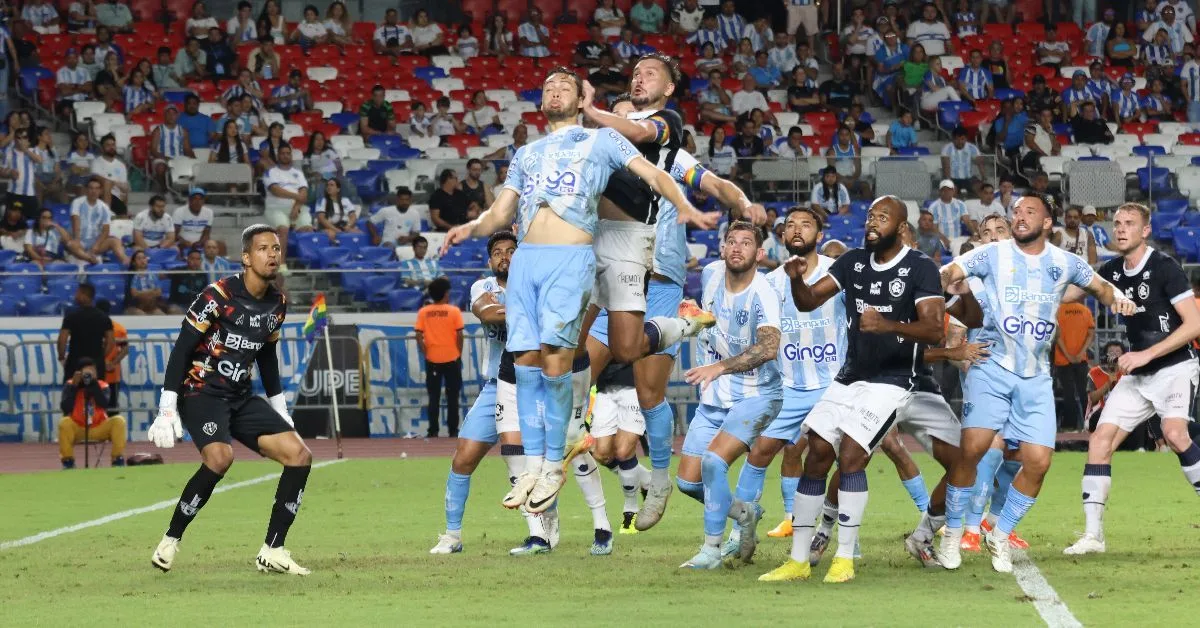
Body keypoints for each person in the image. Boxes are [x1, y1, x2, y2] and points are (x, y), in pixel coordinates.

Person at [441, 66, 704, 516]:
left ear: (581, 98)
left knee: (559, 358)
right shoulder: (526, 153)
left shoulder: (599, 140)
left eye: (565, 85)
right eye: (547, 86)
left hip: (571, 257)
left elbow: (650, 171)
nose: (555, 90)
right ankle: (533, 466)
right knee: (525, 358)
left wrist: (683, 204)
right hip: (527, 260)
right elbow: (499, 212)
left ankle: (551, 464)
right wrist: (470, 227)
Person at [575, 56, 753, 532]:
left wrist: (738, 199)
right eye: (634, 73)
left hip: (660, 276)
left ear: (669, 93)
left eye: (649, 73)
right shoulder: (605, 157)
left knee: (650, 392)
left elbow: (711, 182)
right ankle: (556, 476)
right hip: (611, 271)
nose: (637, 78)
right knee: (575, 371)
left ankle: (659, 479)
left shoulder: (671, 153)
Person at [937, 195, 1135, 574]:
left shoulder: (1064, 262)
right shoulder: (992, 254)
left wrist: (1119, 300)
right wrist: (935, 284)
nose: (1019, 216)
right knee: (973, 450)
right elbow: (951, 271)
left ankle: (1001, 533)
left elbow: (1100, 286)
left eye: (1029, 211)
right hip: (992, 368)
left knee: (1039, 462)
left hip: (1036, 377)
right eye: (1016, 211)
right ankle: (952, 535)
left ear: (1048, 223)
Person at [759, 196, 945, 584]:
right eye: (871, 216)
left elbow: (934, 329)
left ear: (900, 225)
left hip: (893, 381)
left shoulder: (921, 268)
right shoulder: (852, 262)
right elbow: (809, 301)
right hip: (848, 377)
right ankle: (797, 561)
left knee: (851, 455)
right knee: (816, 456)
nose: (873, 223)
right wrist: (796, 278)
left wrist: (889, 325)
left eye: (883, 217)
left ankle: (844, 558)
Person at [147, 224, 311, 576]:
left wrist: (280, 409)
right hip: (202, 392)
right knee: (221, 457)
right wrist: (166, 407)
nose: (272, 254)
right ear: (247, 257)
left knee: (299, 455)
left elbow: (267, 357)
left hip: (240, 395)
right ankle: (171, 538)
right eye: (264, 248)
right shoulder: (216, 296)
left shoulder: (277, 303)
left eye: (277, 248)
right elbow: (182, 349)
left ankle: (273, 549)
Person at [1061, 203, 1200, 556]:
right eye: (1117, 223)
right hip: (1138, 374)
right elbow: (1068, 294)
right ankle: (1093, 537)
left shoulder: (1165, 268)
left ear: (1146, 230)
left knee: (1174, 434)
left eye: (1129, 224)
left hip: (1174, 367)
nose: (1121, 229)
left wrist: (1145, 355)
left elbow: (1194, 324)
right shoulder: (1111, 271)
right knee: (1099, 441)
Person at [718, 208, 846, 564]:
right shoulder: (769, 282)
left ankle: (831, 534)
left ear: (819, 233)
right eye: (790, 225)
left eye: (805, 224)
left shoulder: (838, 274)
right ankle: (738, 532)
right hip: (788, 385)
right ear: (781, 235)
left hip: (832, 384)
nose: (796, 229)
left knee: (837, 457)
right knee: (759, 452)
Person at [430, 232, 558, 554]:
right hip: (496, 385)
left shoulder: (538, 284)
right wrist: (530, 312)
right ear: (490, 261)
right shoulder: (482, 287)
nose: (505, 256)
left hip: (537, 383)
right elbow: (486, 312)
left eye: (511, 251)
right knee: (464, 457)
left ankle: (553, 521)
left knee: (545, 456)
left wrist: (512, 308)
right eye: (498, 252)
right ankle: (452, 535)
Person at [669, 221, 780, 570]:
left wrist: (719, 367)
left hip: (756, 394)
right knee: (687, 482)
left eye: (747, 243)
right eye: (731, 241)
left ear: (759, 253)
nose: (737, 247)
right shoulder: (711, 274)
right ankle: (744, 513)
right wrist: (694, 314)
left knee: (714, 463)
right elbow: (709, 315)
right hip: (715, 396)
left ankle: (711, 551)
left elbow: (768, 347)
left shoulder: (764, 293)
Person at [416, 277, 464, 438]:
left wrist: (425, 352)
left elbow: (418, 334)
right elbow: (459, 334)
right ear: (445, 294)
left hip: (432, 360)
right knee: (453, 397)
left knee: (433, 397)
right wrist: (458, 352)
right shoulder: (454, 311)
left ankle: (433, 430)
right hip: (452, 358)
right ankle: (453, 430)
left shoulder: (424, 312)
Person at [58, 358, 126, 469]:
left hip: (99, 427)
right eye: (86, 372)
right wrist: (74, 387)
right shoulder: (70, 385)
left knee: (119, 421)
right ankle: (68, 461)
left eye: (92, 371)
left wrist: (94, 385)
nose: (88, 375)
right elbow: (66, 408)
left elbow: (104, 404)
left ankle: (117, 459)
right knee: (64, 422)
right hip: (78, 428)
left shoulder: (102, 385)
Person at [262, 144, 311, 270]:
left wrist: (296, 206)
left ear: (291, 155)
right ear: (278, 155)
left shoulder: (298, 173)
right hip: (276, 208)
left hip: (297, 208)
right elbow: (276, 190)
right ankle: (281, 264)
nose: (285, 155)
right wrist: (297, 196)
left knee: (307, 229)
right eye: (282, 153)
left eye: (287, 153)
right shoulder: (271, 172)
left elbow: (304, 194)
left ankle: (304, 265)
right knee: (283, 230)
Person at [1053, 298, 1096, 431]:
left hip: (1063, 359)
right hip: (1080, 359)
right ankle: (1089, 425)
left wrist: (1068, 355)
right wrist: (1080, 353)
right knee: (1084, 393)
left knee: (1068, 393)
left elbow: (1057, 336)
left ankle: (1069, 427)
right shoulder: (1086, 310)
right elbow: (1091, 335)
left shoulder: (1058, 310)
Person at [57, 283, 114, 382]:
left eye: (77, 293)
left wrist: (61, 356)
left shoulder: (71, 316)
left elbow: (62, 340)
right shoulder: (104, 317)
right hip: (96, 364)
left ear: (84, 295)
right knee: (96, 394)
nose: (75, 296)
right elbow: (111, 342)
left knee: (71, 393)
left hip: (75, 362)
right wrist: (100, 357)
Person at [70, 176, 129, 265]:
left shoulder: (104, 207)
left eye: (97, 188)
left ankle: (127, 262)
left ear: (101, 191)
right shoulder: (77, 202)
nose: (94, 191)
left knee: (115, 241)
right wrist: (77, 240)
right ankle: (89, 258)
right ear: (86, 190)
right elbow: (76, 222)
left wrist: (96, 245)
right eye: (91, 188)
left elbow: (106, 230)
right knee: (72, 244)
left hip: (95, 243)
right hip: (79, 241)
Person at [173, 188, 214, 253]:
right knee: (175, 248)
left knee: (220, 245)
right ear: (189, 200)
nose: (197, 202)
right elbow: (174, 234)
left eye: (200, 199)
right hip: (182, 242)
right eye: (195, 199)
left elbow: (206, 234)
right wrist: (185, 242)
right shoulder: (179, 211)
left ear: (203, 201)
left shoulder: (209, 212)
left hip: (200, 242)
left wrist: (200, 243)